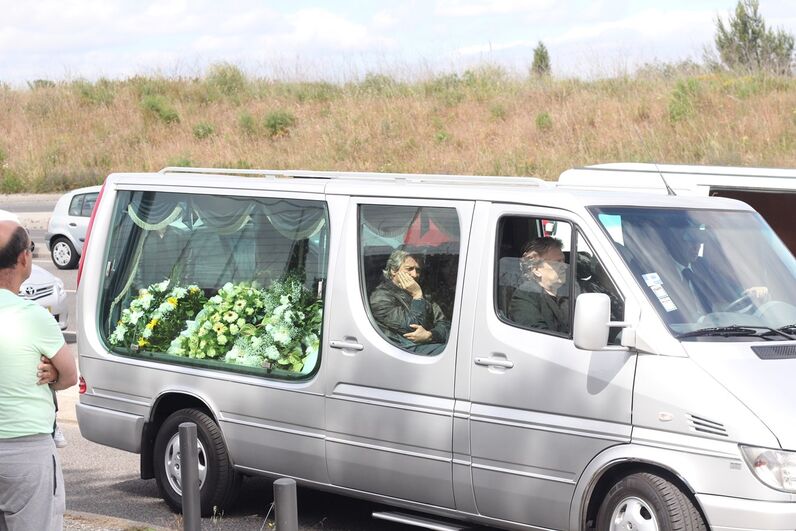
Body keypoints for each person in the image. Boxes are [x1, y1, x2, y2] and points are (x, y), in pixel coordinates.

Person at [0, 220, 78, 531]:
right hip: (27, 452)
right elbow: (70, 377)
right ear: (23, 258)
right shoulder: (34, 318)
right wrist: (54, 372)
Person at [369, 249, 450, 355]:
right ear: (394, 270)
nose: (415, 275)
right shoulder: (380, 297)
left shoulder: (423, 293)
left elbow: (445, 324)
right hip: (404, 350)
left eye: (418, 270)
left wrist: (430, 335)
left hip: (428, 345)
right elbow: (412, 327)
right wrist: (417, 297)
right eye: (409, 269)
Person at [508, 236, 571, 333]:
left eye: (564, 261)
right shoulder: (525, 296)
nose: (564, 267)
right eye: (557, 262)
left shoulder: (569, 290)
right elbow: (538, 337)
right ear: (536, 269)